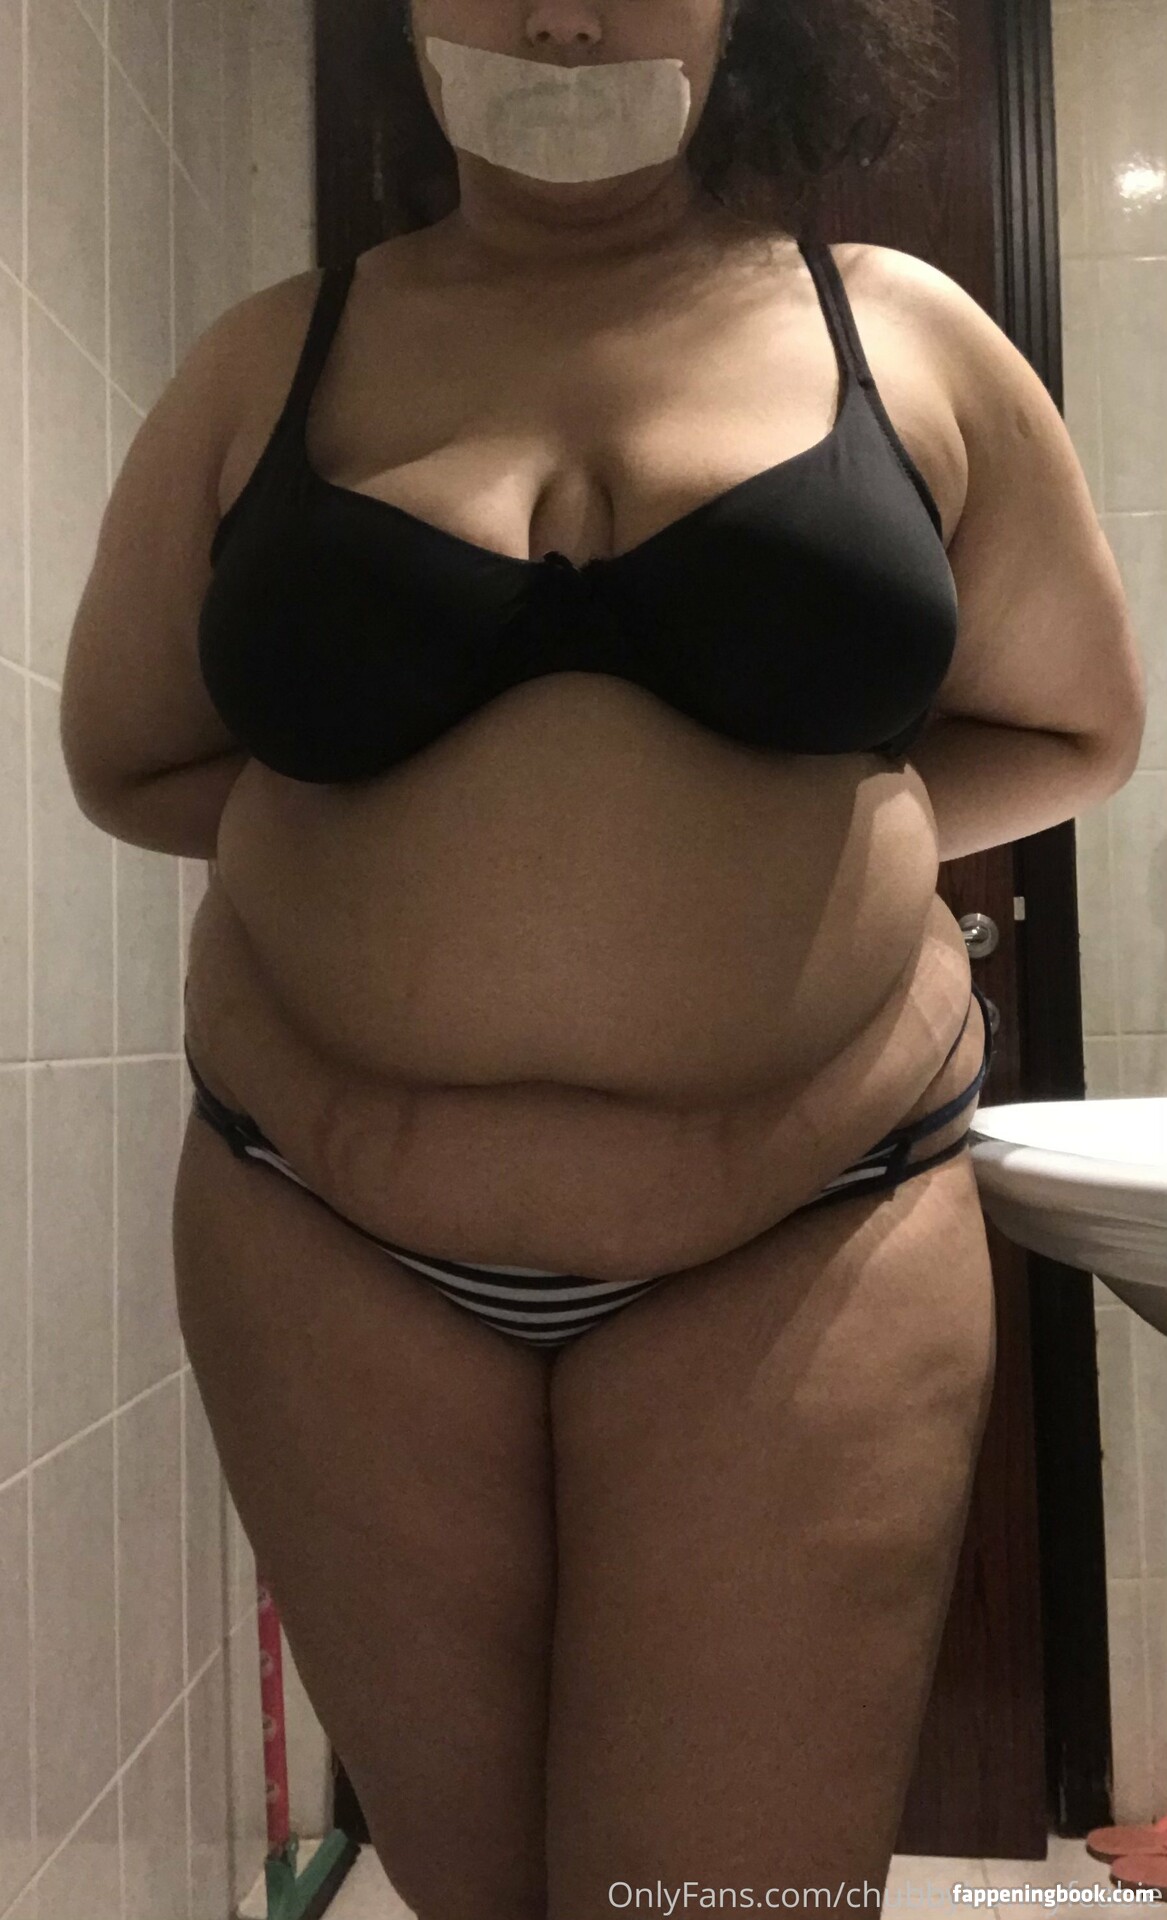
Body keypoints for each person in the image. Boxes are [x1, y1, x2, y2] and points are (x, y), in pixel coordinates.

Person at [58, 0, 1143, 1912]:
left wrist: (839, 837)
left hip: (809, 1237)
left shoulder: (903, 333)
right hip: (324, 1234)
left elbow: (1078, 726)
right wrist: (388, 852)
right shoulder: (264, 361)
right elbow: (127, 756)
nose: (559, 11)